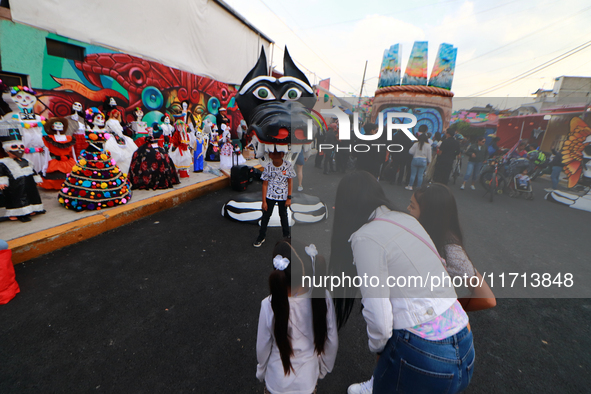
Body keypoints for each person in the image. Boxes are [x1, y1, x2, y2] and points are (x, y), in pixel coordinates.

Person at [330, 172, 474, 394]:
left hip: (427, 358)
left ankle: (381, 380)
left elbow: (379, 321)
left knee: (387, 337)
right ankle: (380, 380)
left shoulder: (365, 237)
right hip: (465, 348)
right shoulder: (405, 219)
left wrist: (381, 352)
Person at [256, 239, 338, 394]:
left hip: (276, 381)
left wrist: (261, 371)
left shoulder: (268, 304)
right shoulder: (322, 297)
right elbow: (331, 340)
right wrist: (323, 368)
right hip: (307, 381)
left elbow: (263, 347)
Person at [408, 183, 496, 310]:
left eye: (412, 206)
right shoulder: (419, 231)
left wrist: (446, 309)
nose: (407, 209)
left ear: (429, 214)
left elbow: (486, 299)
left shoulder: (451, 250)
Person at [253, 149, 296, 247]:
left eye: (279, 153)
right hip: (270, 195)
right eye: (273, 153)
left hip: (283, 196)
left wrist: (289, 197)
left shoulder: (288, 166)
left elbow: (290, 182)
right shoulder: (268, 167)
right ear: (270, 155)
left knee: (283, 216)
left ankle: (286, 236)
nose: (276, 155)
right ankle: (261, 236)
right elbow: (264, 184)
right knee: (266, 216)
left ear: (283, 154)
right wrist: (264, 201)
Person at [0, 130, 45, 222]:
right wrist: (2, 182)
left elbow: (33, 170)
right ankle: (15, 213)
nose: (19, 149)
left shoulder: (26, 160)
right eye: (14, 147)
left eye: (21, 146)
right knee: (16, 198)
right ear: (7, 150)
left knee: (31, 195)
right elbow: (2, 174)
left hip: (28, 182)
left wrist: (36, 179)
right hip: (14, 185)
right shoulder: (3, 162)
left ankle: (32, 208)